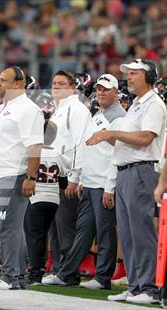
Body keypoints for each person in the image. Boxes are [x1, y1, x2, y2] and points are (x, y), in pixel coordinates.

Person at [87, 59, 165, 304]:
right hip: (125, 171)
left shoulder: (155, 104)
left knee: (142, 232)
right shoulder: (136, 105)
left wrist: (111, 133)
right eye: (128, 73)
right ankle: (135, 285)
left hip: (142, 171)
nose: (128, 77)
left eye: (134, 73)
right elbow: (128, 141)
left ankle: (150, 289)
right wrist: (107, 137)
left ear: (148, 76)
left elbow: (145, 138)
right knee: (129, 234)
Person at [43, 74, 126, 289]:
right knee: (83, 231)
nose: (101, 93)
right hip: (89, 183)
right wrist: (80, 178)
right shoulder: (99, 114)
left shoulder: (119, 117)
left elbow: (117, 155)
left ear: (116, 92)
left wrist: (110, 187)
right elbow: (87, 149)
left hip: (102, 184)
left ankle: (102, 277)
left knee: (105, 231)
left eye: (106, 89)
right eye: (98, 89)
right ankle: (67, 274)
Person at [0, 66, 44, 289]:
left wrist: (31, 177)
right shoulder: (0, 109)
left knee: (10, 227)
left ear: (18, 84)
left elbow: (34, 145)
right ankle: (15, 277)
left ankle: (9, 276)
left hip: (14, 175)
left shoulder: (28, 109)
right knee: (9, 227)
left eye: (3, 80)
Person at [46, 70, 91, 278]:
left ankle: (69, 273)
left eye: (61, 83)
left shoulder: (77, 109)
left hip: (67, 178)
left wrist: (74, 178)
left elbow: (80, 144)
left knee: (66, 226)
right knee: (55, 228)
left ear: (72, 87)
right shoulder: (59, 109)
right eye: (54, 83)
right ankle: (58, 269)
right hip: (54, 176)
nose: (56, 86)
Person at [26, 120, 69, 285]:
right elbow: (64, 183)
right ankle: (39, 270)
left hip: (36, 197)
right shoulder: (58, 155)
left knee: (34, 236)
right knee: (44, 236)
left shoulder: (33, 152)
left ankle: (35, 273)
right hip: (53, 200)